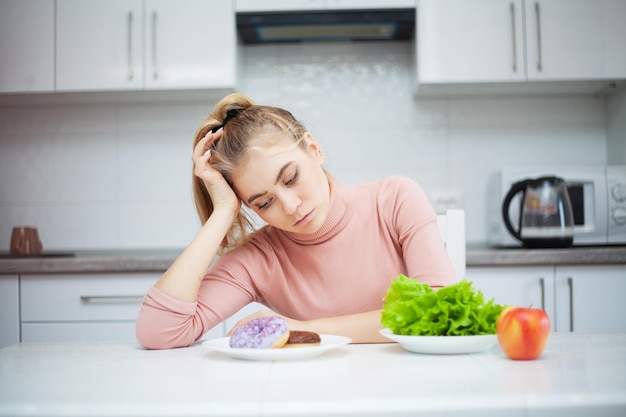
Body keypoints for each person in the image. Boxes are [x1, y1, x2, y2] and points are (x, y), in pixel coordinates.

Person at [135, 93, 456, 350]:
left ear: (314, 149)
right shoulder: (259, 259)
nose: (290, 206)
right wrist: (221, 214)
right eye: (263, 202)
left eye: (291, 177)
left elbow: (439, 311)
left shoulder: (395, 200)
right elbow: (159, 332)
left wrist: (303, 328)